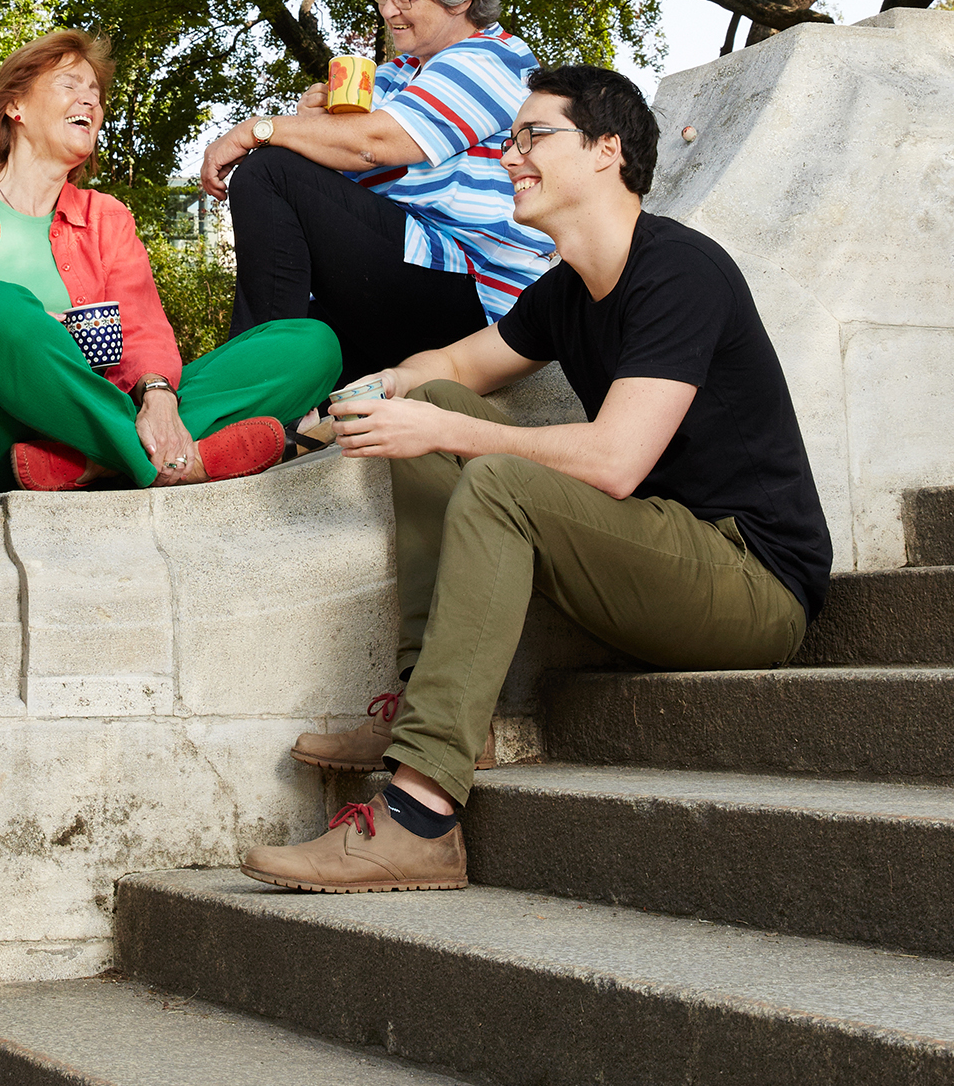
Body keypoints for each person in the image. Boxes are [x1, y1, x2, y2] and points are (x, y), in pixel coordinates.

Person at [241, 66, 830, 894]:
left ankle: (420, 821)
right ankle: (431, 711)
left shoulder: (680, 272)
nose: (507, 154)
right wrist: (375, 398)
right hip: (654, 555)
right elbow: (451, 367)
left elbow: (616, 461)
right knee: (441, 401)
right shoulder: (567, 292)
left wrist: (445, 428)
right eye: (509, 137)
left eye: (531, 137)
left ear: (605, 151)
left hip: (751, 583)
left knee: (492, 469)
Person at [0, 32, 341, 492]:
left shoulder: (106, 217)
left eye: (95, 94)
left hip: (97, 413)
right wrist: (35, 347)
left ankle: (88, 463)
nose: (89, 101)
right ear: (17, 107)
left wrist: (157, 395)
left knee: (311, 343)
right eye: (71, 85)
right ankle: (166, 463)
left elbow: (143, 329)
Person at [200, 0, 554, 388]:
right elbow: (343, 170)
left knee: (269, 171)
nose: (389, 11)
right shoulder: (399, 73)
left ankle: (247, 391)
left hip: (475, 300)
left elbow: (375, 144)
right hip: (415, 277)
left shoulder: (490, 59)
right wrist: (312, 124)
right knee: (308, 323)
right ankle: (249, 408)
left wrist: (258, 130)